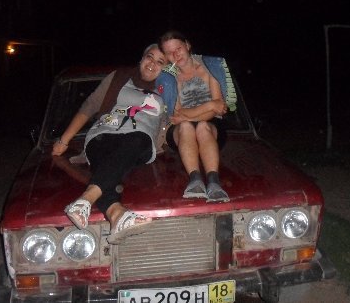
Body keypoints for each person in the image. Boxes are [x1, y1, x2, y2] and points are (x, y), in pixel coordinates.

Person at [52, 44, 168, 234]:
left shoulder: (168, 91)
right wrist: (64, 141)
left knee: (137, 139)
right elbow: (89, 106)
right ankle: (116, 213)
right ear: (141, 58)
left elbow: (176, 119)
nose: (152, 63)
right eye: (149, 56)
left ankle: (86, 199)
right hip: (103, 135)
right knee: (111, 163)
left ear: (166, 68)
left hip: (140, 142)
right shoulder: (119, 77)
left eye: (160, 62)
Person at [157, 30, 231, 203]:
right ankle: (195, 181)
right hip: (179, 130)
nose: (176, 55)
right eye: (169, 52)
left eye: (178, 48)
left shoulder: (210, 68)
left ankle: (214, 182)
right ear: (166, 57)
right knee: (185, 126)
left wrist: (191, 116)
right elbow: (177, 114)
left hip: (212, 126)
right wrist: (209, 105)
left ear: (187, 45)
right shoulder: (169, 78)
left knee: (203, 126)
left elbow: (218, 108)